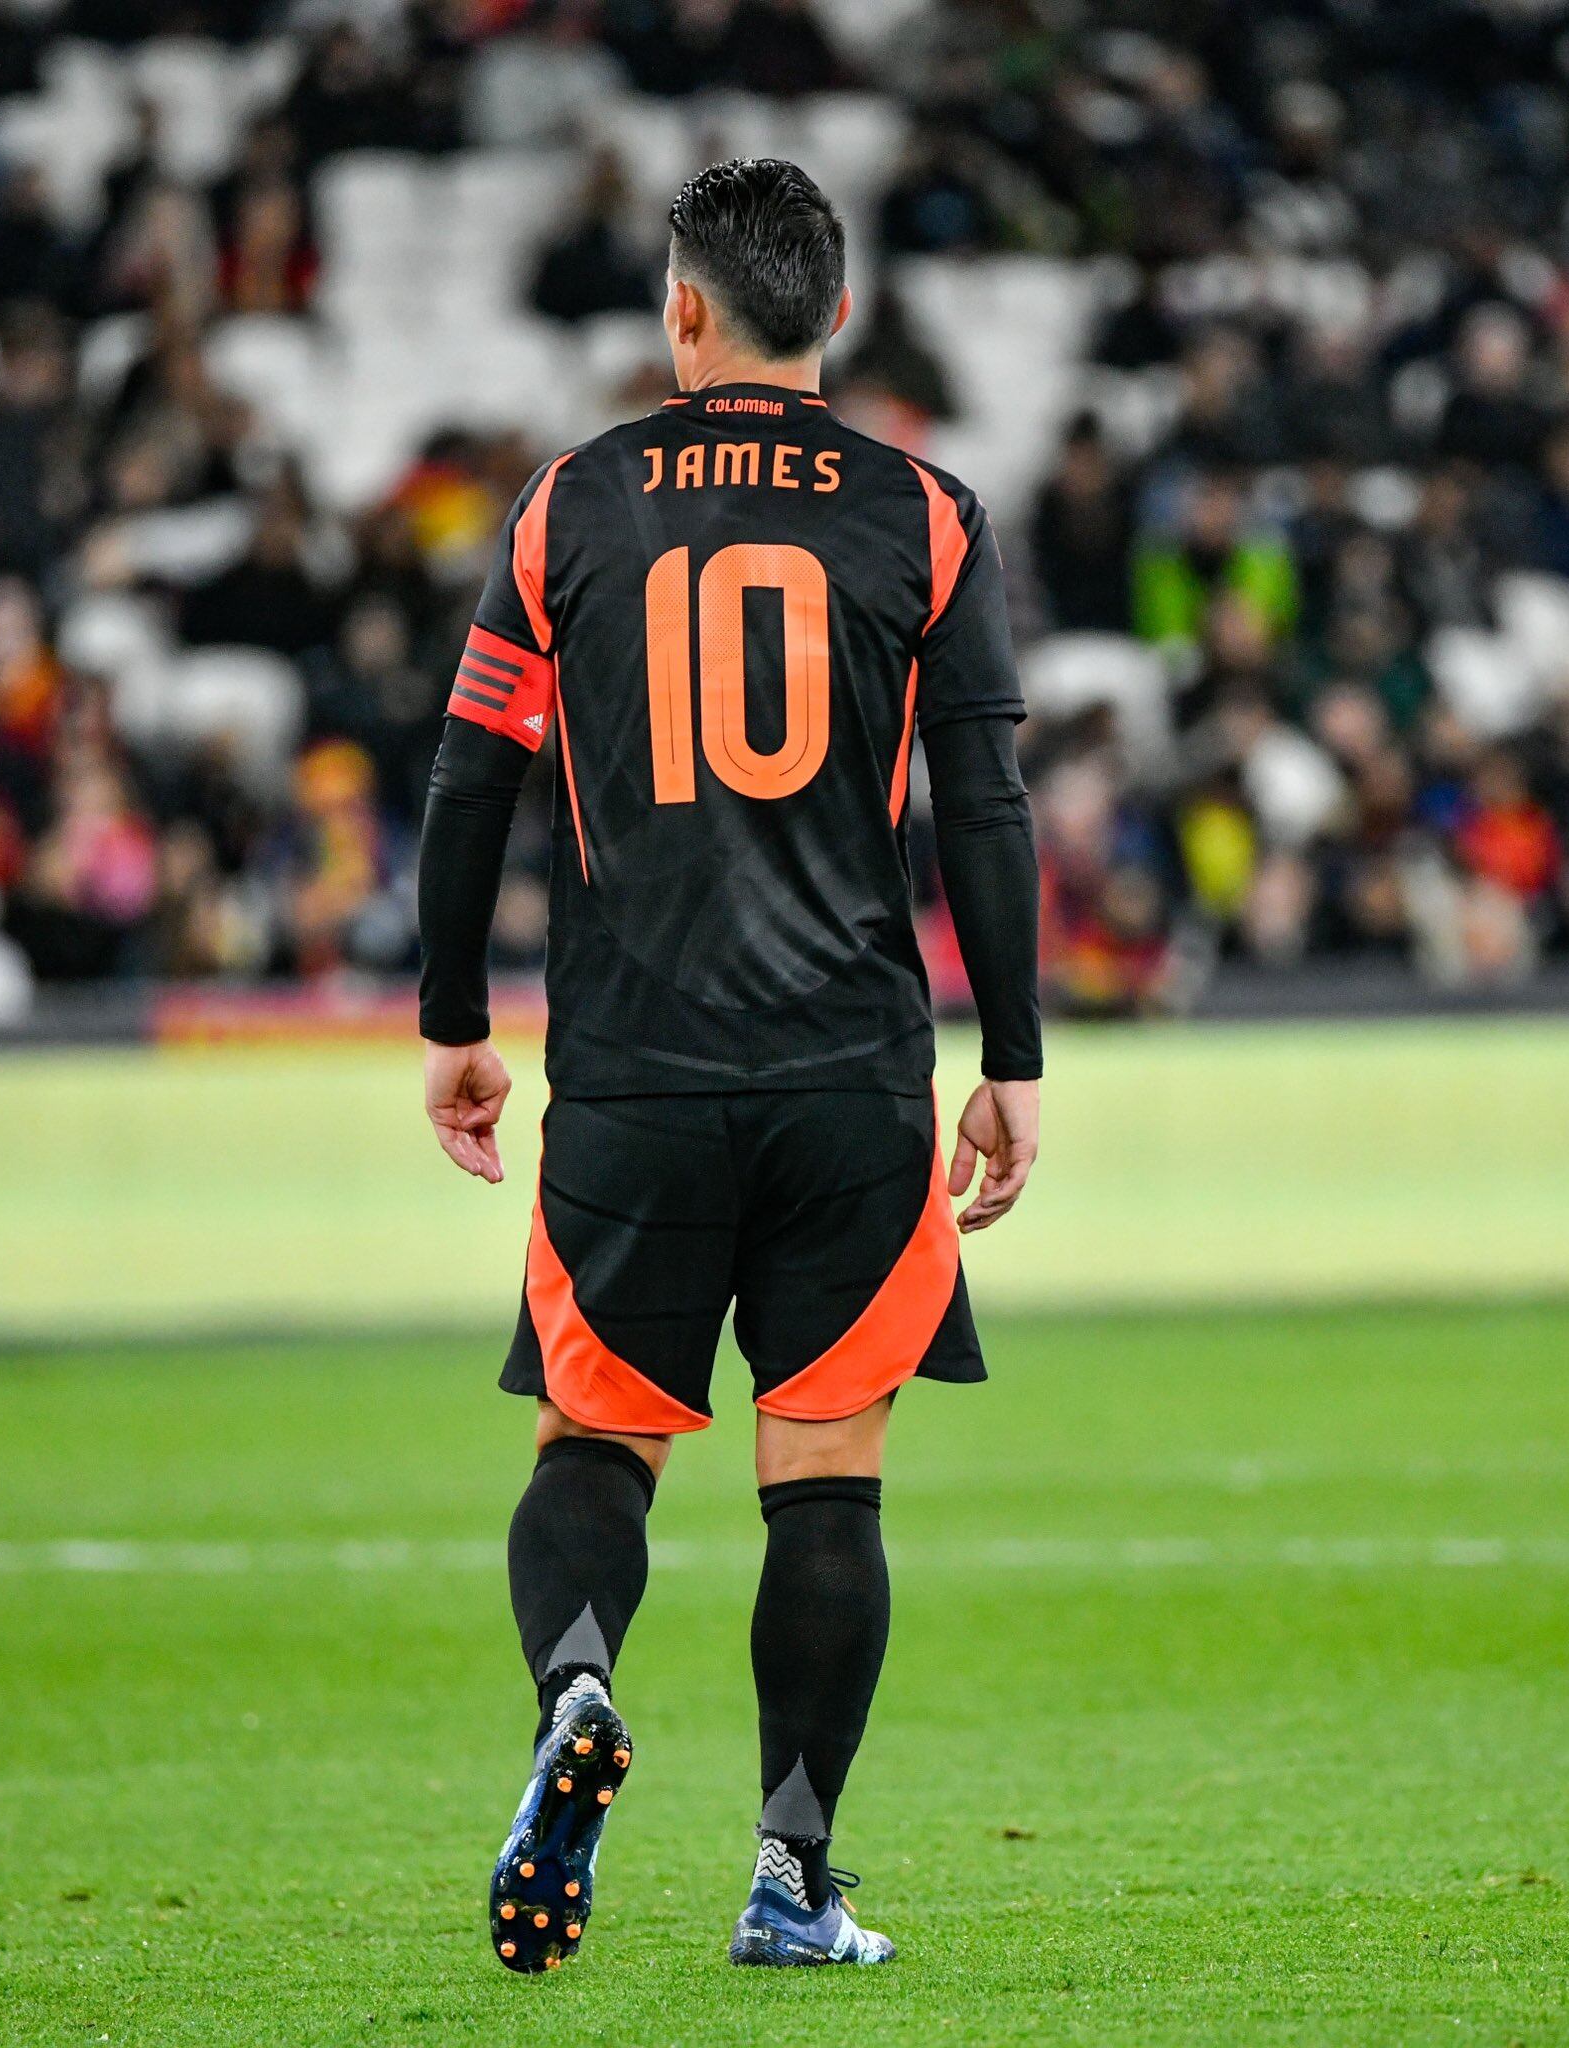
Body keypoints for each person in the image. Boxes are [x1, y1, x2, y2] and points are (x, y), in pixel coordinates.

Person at [414, 159, 1042, 1975]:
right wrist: (1010, 1055)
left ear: (682, 310)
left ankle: (578, 1684)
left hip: (635, 1068)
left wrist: (453, 1021)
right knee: (826, 1477)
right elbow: (985, 801)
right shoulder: (927, 513)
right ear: (835, 313)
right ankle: (792, 1875)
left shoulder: (571, 504)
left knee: (593, 1443)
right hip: (849, 1070)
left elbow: (470, 777)